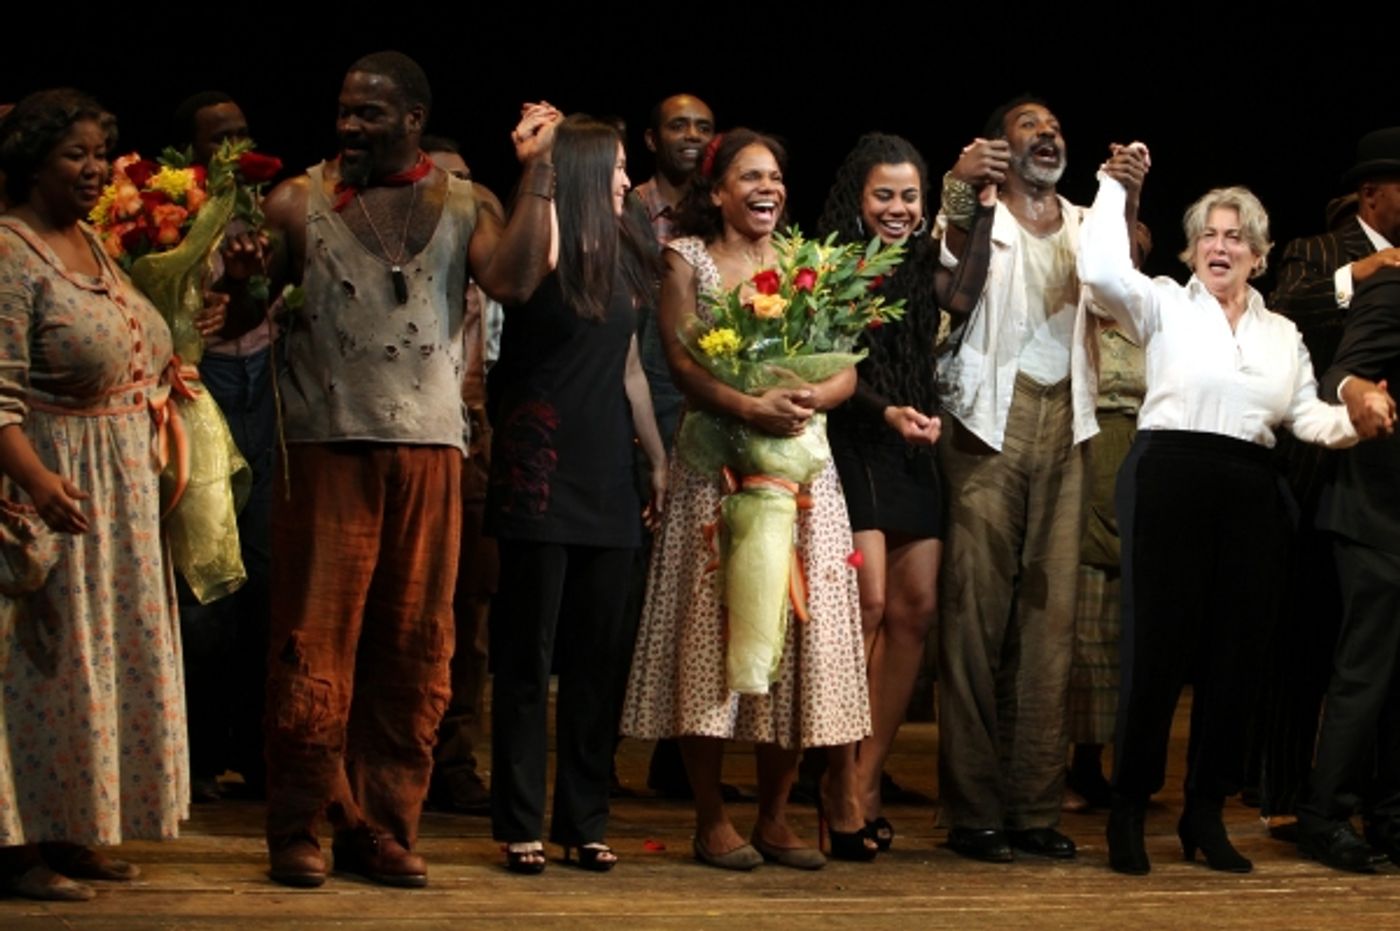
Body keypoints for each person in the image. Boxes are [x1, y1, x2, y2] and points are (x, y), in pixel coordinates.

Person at [222, 51, 559, 889]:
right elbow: (239, 309)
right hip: (329, 448)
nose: (349, 125)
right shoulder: (298, 202)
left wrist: (540, 172)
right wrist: (235, 273)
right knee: (314, 640)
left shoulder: (461, 203)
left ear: (412, 117)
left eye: (369, 113)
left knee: (414, 644)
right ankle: (299, 823)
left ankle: (381, 826)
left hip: (431, 452)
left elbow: (515, 278)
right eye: (344, 110)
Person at [1078, 145, 1386, 876]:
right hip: (1169, 475)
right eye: (1210, 235)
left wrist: (1359, 422)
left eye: (1236, 236)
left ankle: (1205, 812)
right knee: (1157, 653)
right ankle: (1128, 806)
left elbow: (1309, 416)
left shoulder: (1281, 334)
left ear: (1258, 254)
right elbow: (1097, 271)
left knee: (1236, 659)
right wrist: (1113, 190)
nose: (1222, 246)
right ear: (1191, 249)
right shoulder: (1161, 302)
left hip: (1252, 487)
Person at [621, 129, 872, 871]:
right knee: (714, 631)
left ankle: (774, 815)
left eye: (776, 176)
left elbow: (848, 369)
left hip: (798, 474)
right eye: (750, 177)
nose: (768, 188)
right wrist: (746, 405)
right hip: (718, 469)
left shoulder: (806, 264)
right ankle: (709, 816)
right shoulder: (687, 257)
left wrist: (808, 394)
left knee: (798, 635)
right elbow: (678, 359)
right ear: (719, 189)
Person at [0, 89, 188, 901]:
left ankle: (71, 825)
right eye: (74, 154)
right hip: (54, 486)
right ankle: (12, 850)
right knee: (40, 669)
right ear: (32, 161)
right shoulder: (11, 252)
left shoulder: (91, 244)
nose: (94, 169)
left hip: (117, 497)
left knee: (95, 668)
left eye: (99, 153)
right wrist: (38, 483)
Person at [486, 114, 666, 874]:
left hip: (605, 471)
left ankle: (584, 819)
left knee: (599, 657)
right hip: (540, 464)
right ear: (589, 169)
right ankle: (520, 821)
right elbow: (510, 280)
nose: (628, 178)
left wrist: (655, 455)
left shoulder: (626, 248)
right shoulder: (544, 231)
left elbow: (628, 368)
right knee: (528, 655)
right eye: (619, 166)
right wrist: (542, 168)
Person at [813, 132, 993, 849]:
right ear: (859, 196)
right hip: (856, 435)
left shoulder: (926, 259)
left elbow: (965, 291)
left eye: (908, 196)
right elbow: (828, 362)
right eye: (883, 194)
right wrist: (884, 411)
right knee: (871, 602)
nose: (896, 207)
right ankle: (833, 777)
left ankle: (866, 774)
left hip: (916, 439)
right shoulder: (828, 263)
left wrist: (976, 212)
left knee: (916, 609)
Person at [934, 96, 1102, 864]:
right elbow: (943, 283)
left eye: (1056, 128)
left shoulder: (1084, 223)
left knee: (1050, 620)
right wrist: (961, 187)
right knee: (975, 614)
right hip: (986, 419)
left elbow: (1128, 285)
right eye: (1031, 126)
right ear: (1002, 145)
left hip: (1067, 417)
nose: (1048, 135)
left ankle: (1035, 805)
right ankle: (973, 810)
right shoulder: (979, 212)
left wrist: (1126, 198)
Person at [1257, 128, 1400, 827]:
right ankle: (1290, 793)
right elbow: (1281, 313)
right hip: (1317, 464)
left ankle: (1370, 794)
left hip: (1383, 474)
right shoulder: (1321, 253)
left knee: (1371, 646)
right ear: (1372, 192)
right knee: (1307, 636)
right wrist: (1362, 277)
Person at [169, 90, 273, 805]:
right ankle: (198, 754)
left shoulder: (267, 210)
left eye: (241, 133)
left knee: (262, 575)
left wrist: (249, 286)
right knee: (206, 581)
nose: (234, 148)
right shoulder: (169, 216)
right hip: (198, 385)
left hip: (259, 377)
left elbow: (267, 303)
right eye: (219, 139)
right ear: (193, 152)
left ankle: (254, 751)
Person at [1297, 268, 1400, 873]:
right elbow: (1341, 371)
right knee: (1365, 676)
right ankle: (1325, 815)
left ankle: (1389, 815)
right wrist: (1359, 392)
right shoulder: (1392, 285)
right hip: (1377, 512)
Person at [419, 134, 499, 817]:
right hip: (412, 439)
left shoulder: (495, 274)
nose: (457, 198)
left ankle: (452, 756)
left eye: (467, 183)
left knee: (470, 612)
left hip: (478, 446)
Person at [1064, 222, 1152, 812]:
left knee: (1134, 623)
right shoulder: (1078, 316)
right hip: (1089, 450)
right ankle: (1076, 762)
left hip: (1147, 457)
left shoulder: (1156, 316)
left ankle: (1125, 765)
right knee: (1086, 616)